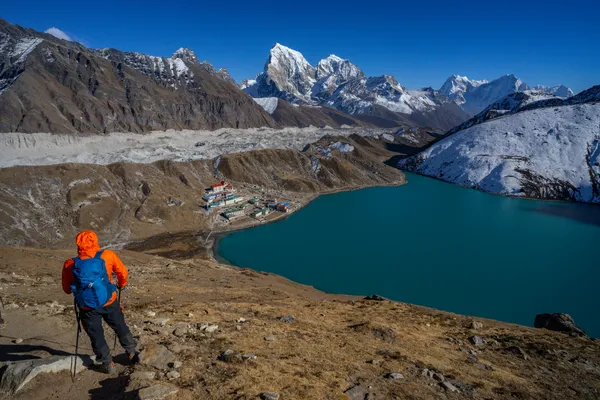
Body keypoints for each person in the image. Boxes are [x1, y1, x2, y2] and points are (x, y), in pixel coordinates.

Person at [62, 230, 138, 373]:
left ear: (78, 244)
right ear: (96, 241)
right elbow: (122, 272)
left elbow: (66, 289)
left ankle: (107, 363)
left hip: (86, 307)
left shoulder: (70, 263)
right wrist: (122, 284)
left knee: (96, 334)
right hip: (109, 301)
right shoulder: (107, 256)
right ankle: (132, 352)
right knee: (120, 326)